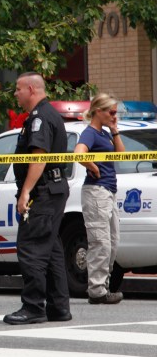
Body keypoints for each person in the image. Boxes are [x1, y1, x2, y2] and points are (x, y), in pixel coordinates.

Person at [4, 72, 72, 325]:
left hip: (43, 191)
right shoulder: (48, 114)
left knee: (31, 248)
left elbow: (39, 157)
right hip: (53, 189)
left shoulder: (40, 118)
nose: (15, 94)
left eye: (18, 89)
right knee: (51, 248)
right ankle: (58, 307)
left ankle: (33, 307)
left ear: (31, 89)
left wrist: (26, 192)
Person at [74, 93, 125, 305]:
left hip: (109, 191)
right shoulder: (91, 133)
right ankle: (97, 290)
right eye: (111, 112)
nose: (114, 116)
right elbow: (79, 153)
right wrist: (92, 166)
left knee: (113, 242)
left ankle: (103, 285)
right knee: (100, 242)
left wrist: (115, 131)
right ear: (98, 111)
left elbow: (121, 155)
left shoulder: (104, 133)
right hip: (96, 191)